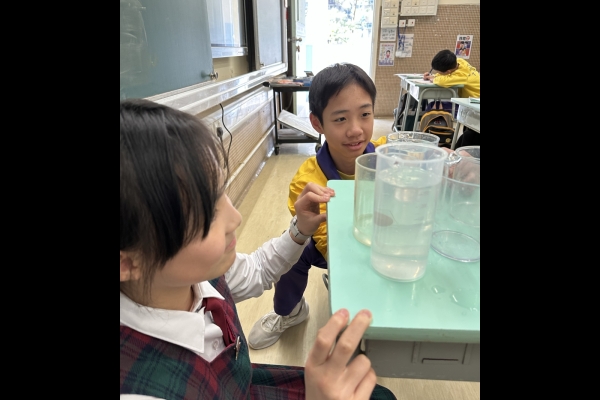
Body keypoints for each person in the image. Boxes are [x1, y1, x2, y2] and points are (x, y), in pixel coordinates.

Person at [120, 98, 396, 399]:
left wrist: (300, 229)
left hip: (238, 379)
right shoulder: (142, 390)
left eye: (221, 192)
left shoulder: (195, 274)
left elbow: (257, 270)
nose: (235, 218)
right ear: (127, 263)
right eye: (206, 213)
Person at [248, 63, 388, 350]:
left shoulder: (389, 155)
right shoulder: (307, 182)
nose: (356, 130)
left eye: (365, 114)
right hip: (337, 248)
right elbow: (326, 243)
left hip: (387, 244)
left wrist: (450, 162)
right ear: (317, 123)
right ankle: (290, 311)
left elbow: (426, 159)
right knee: (292, 248)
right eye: (340, 119)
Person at [422, 49, 480, 148]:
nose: (438, 73)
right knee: (468, 132)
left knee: (470, 135)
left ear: (448, 71)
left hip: (476, 106)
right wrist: (434, 76)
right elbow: (447, 77)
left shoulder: (462, 76)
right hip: (470, 104)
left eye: (439, 72)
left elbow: (442, 81)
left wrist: (432, 78)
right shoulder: (460, 62)